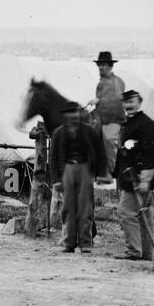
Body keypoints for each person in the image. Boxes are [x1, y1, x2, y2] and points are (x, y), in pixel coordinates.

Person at [115, 89, 154, 261]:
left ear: (139, 102)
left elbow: (152, 153)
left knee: (126, 212)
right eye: (126, 102)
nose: (128, 106)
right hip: (130, 176)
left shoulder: (145, 123)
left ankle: (133, 251)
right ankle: (146, 253)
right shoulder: (129, 123)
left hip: (138, 178)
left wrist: (145, 179)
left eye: (132, 102)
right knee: (143, 214)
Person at [49, 102, 103, 253]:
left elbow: (99, 153)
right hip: (67, 170)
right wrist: (56, 179)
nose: (72, 116)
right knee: (68, 208)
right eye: (68, 113)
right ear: (64, 115)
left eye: (75, 112)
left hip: (85, 170)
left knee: (86, 208)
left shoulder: (90, 131)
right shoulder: (58, 133)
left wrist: (97, 173)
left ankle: (85, 243)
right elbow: (53, 158)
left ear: (79, 113)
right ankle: (68, 243)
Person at [92, 51, 127, 179]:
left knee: (109, 138)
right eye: (99, 65)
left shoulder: (117, 82)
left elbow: (118, 99)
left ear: (110, 66)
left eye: (103, 65)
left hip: (114, 118)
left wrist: (100, 101)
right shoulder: (100, 83)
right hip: (100, 117)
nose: (100, 67)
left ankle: (109, 171)